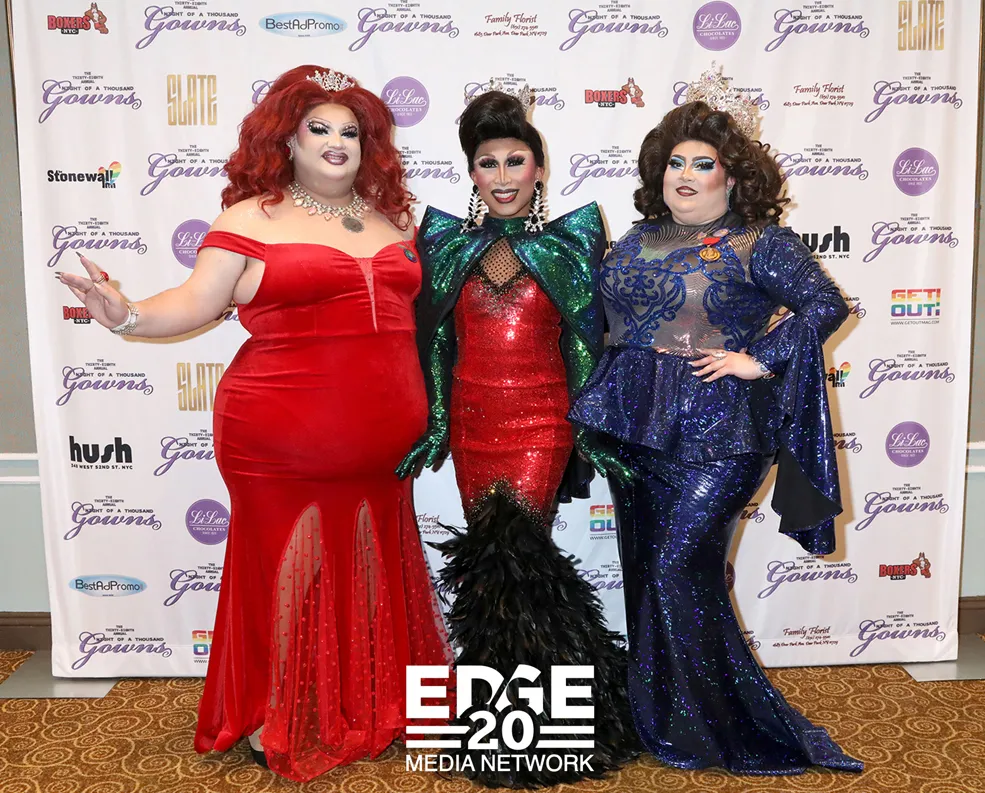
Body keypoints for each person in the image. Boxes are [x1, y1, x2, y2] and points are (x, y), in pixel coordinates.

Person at [57, 64, 451, 782]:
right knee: (286, 573)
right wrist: (129, 315)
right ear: (287, 141)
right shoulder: (248, 219)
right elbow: (194, 301)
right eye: (318, 129)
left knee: (370, 568)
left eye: (351, 131)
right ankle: (278, 709)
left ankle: (368, 701)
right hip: (280, 435)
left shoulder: (394, 219)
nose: (336, 142)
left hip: (383, 445)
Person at [568, 65, 865, 775]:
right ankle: (662, 716)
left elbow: (826, 305)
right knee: (644, 571)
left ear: (732, 177)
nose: (686, 175)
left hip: (720, 434)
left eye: (703, 164)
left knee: (677, 569)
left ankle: (728, 726)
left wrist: (759, 358)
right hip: (635, 429)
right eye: (676, 162)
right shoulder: (637, 236)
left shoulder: (760, 241)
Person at [396, 88, 638, 786]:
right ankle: (514, 719)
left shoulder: (569, 241)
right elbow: (436, 342)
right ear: (471, 172)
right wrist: (436, 423)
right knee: (490, 564)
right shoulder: (447, 244)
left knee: (517, 554)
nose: (502, 177)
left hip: (541, 422)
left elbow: (584, 345)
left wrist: (589, 427)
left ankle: (532, 730)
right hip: (474, 422)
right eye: (487, 163)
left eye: (515, 161)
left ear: (539, 168)